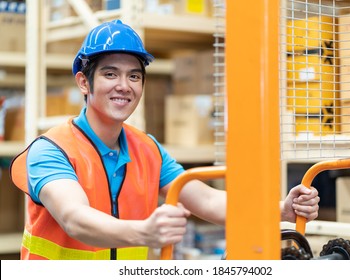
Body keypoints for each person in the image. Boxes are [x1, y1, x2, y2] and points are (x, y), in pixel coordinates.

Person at [10, 19, 320, 260]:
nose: (124, 86)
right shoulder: (51, 150)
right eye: (110, 74)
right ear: (83, 82)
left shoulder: (148, 150)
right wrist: (144, 232)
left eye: (134, 76)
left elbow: (208, 200)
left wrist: (281, 210)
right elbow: (74, 218)